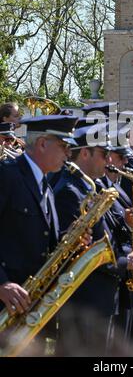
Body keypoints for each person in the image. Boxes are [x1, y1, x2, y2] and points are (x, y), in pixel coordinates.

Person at [54, 123, 133, 356]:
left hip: (99, 296)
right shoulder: (70, 191)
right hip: (85, 301)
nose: (108, 162)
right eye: (104, 154)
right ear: (85, 153)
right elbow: (81, 253)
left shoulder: (86, 187)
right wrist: (125, 261)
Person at [0, 115, 82, 354]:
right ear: (43, 143)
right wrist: (1, 283)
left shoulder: (44, 183)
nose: (68, 154)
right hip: (7, 305)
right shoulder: (7, 176)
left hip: (29, 308)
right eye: (64, 146)